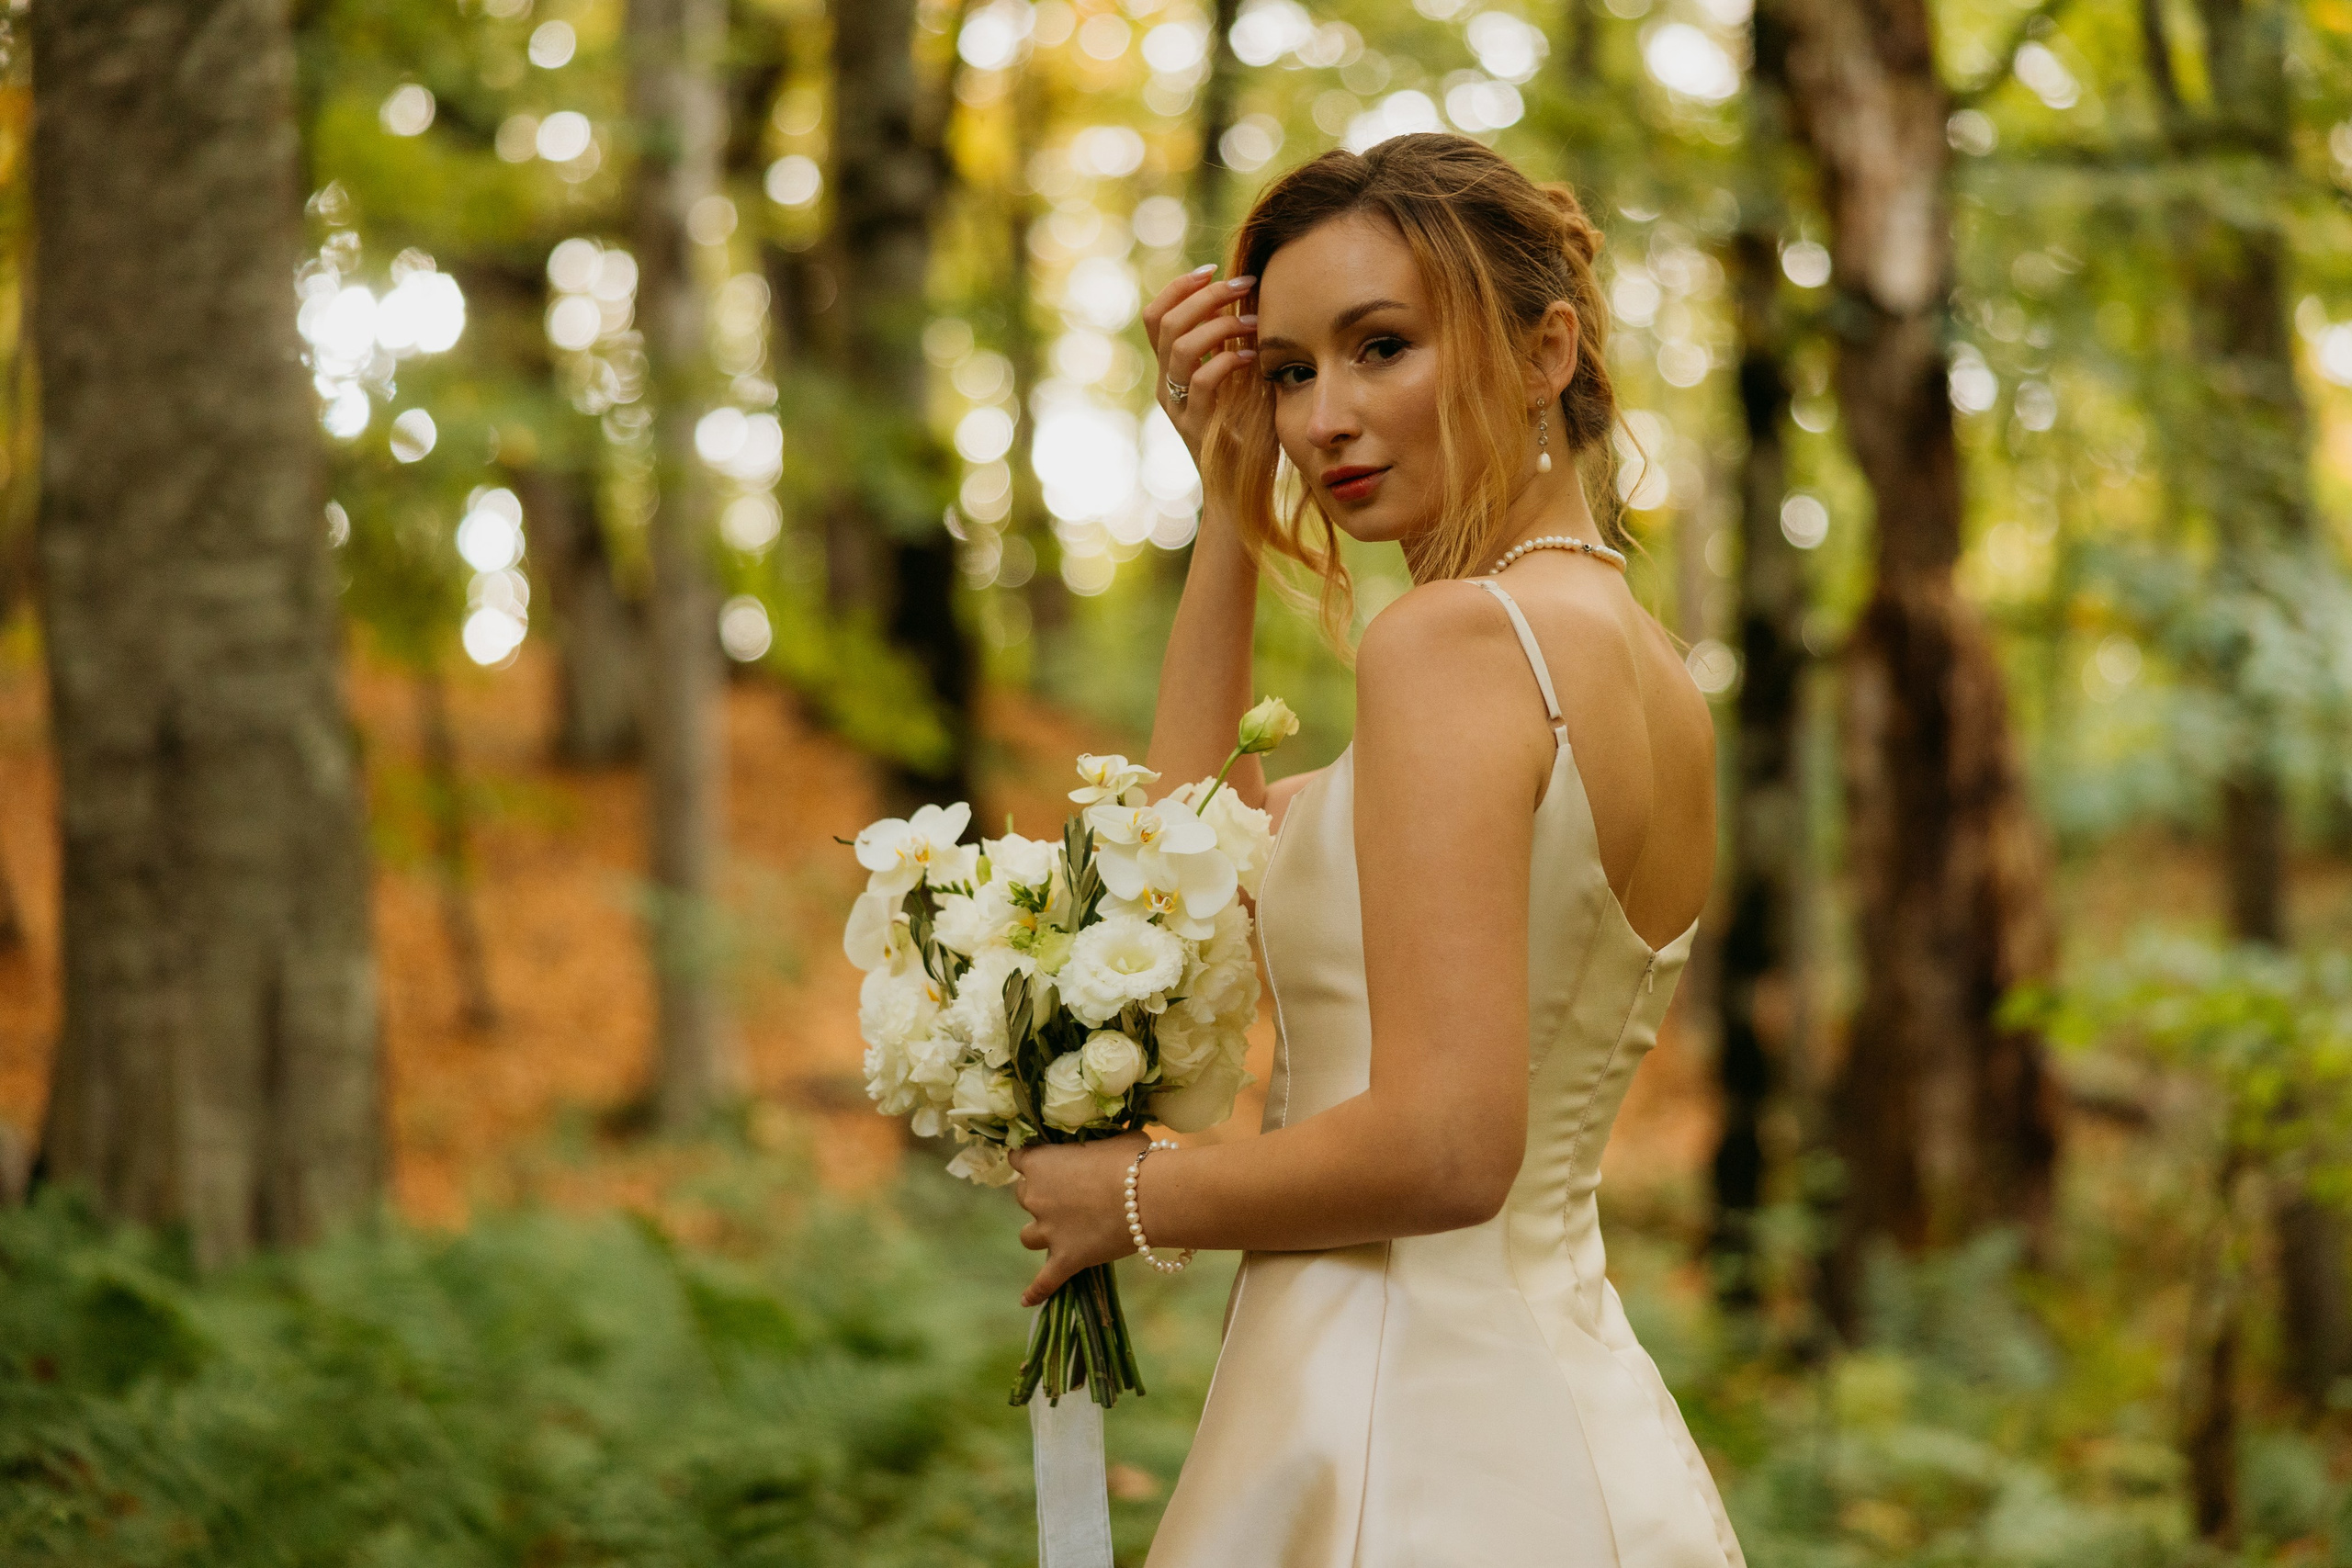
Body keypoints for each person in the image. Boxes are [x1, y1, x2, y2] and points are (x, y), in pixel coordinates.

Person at [1008, 132, 1745, 1567]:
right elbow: (1169, 875)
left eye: (1382, 347)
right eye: (1289, 372)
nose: (1325, 417)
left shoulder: (1452, 645)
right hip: (1561, 1414)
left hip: (1407, 1443)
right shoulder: (1637, 665)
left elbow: (1452, 1145)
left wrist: (1133, 1198)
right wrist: (1230, 496)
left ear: (1546, 353)